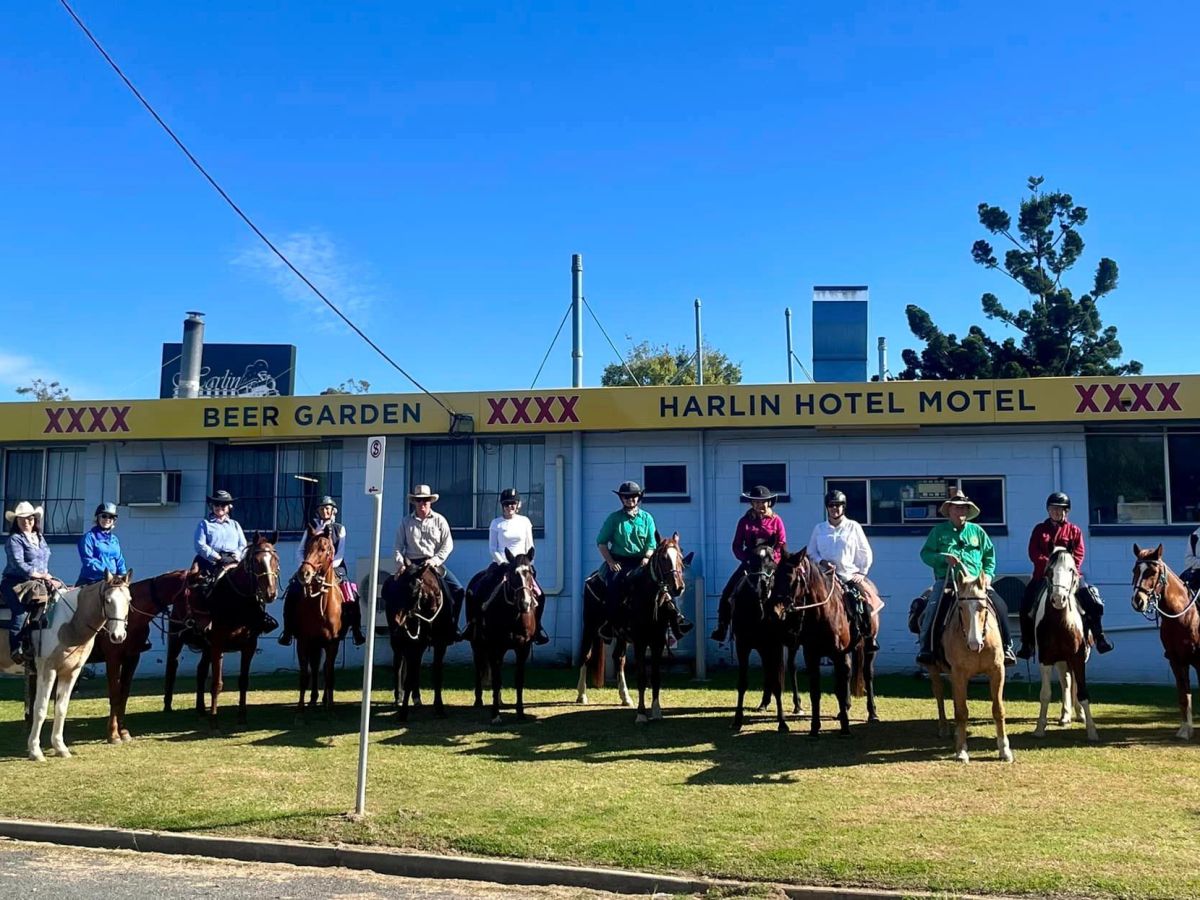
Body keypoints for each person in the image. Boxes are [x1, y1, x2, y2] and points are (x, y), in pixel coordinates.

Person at [916, 490, 1016, 666]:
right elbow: (925, 555)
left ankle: (1007, 647)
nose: (960, 512)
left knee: (1001, 605)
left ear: (968, 512)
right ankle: (927, 648)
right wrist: (943, 558)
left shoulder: (978, 532)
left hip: (976, 584)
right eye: (956, 509)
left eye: (963, 509)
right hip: (948, 581)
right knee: (933, 609)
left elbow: (989, 557)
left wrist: (988, 577)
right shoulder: (938, 532)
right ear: (949, 511)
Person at [1017, 492, 1114, 658]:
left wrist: (1066, 569)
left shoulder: (1074, 531)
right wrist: (1051, 567)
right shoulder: (1040, 530)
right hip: (1044, 576)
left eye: (1061, 509)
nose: (1057, 512)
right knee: (1025, 605)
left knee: (1093, 602)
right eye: (1053, 509)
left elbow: (1079, 554)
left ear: (1066, 512)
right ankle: (1028, 644)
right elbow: (1033, 552)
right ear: (1048, 510)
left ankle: (1099, 637)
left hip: (1070, 577)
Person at [595, 480, 693, 641]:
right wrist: (611, 562)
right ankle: (610, 624)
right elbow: (601, 542)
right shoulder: (614, 519)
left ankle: (677, 619)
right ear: (621, 499)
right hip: (620, 561)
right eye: (626, 497)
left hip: (643, 560)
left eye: (633, 496)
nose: (630, 500)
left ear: (638, 498)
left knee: (664, 583)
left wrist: (647, 557)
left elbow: (651, 543)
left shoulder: (647, 518)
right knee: (613, 586)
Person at [464, 488, 548, 644]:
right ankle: (473, 624)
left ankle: (538, 628)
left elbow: (530, 546)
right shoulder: (496, 523)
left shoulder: (525, 522)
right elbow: (493, 548)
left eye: (513, 503)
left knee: (540, 595)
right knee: (478, 588)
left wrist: (528, 565)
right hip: (501, 563)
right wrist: (503, 563)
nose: (510, 507)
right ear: (502, 505)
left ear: (518, 505)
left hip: (521, 565)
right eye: (507, 504)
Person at [279, 496, 365, 647]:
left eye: (328, 508)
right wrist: (306, 565)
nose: (325, 511)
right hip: (311, 567)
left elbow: (340, 552)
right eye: (322, 508)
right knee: (292, 591)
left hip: (334, 567)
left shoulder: (339, 528)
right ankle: (287, 631)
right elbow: (300, 550)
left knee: (352, 595)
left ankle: (356, 630)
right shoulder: (312, 526)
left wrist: (330, 566)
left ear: (333, 511)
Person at [190, 490, 277, 634]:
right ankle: (201, 619)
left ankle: (259, 617)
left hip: (233, 560)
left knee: (252, 584)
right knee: (205, 586)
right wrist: (217, 557)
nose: (220, 507)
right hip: (210, 561)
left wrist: (236, 556)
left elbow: (242, 545)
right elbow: (200, 545)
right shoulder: (204, 524)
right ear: (212, 506)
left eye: (223, 505)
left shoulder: (235, 525)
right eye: (217, 504)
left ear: (229, 507)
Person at [710, 485, 787, 643]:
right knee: (728, 591)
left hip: (771, 564)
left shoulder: (777, 521)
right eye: (757, 502)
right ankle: (722, 626)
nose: (761, 505)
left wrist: (774, 561)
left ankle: (790, 629)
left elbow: (781, 544)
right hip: (751, 563)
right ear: (752, 503)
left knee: (788, 591)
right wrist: (746, 558)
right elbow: (736, 545)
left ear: (769, 503)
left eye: (764, 502)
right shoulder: (744, 521)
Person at [806, 489, 881, 652]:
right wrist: (822, 562)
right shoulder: (819, 529)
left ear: (844, 507)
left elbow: (865, 551)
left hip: (847, 575)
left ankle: (868, 636)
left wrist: (861, 572)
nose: (835, 509)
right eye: (832, 505)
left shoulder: (853, 527)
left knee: (864, 602)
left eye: (839, 505)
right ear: (827, 507)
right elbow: (811, 552)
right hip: (824, 577)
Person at [393, 484, 466, 640]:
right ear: (414, 502)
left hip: (432, 563)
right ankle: (396, 625)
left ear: (430, 501)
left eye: (425, 500)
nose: (422, 503)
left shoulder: (440, 520)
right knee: (390, 590)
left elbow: (448, 544)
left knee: (458, 590)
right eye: (419, 500)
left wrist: (435, 560)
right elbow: (398, 547)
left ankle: (452, 627)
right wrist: (401, 564)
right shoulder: (405, 522)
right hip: (411, 565)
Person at [2, 502, 64, 665]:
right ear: (16, 521)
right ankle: (16, 648)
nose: (26, 521)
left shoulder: (40, 538)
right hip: (16, 583)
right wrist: (39, 574)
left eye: (29, 518)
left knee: (55, 604)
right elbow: (18, 563)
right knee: (21, 612)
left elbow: (43, 559)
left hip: (38, 582)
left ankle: (38, 643)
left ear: (35, 519)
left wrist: (46, 576)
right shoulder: (14, 539)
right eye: (21, 519)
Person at [76, 502, 128, 586]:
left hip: (112, 581)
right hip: (92, 581)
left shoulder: (114, 540)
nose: (107, 519)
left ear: (114, 520)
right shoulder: (88, 538)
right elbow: (88, 561)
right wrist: (108, 572)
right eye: (104, 516)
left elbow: (119, 559)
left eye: (111, 517)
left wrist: (123, 574)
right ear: (97, 518)